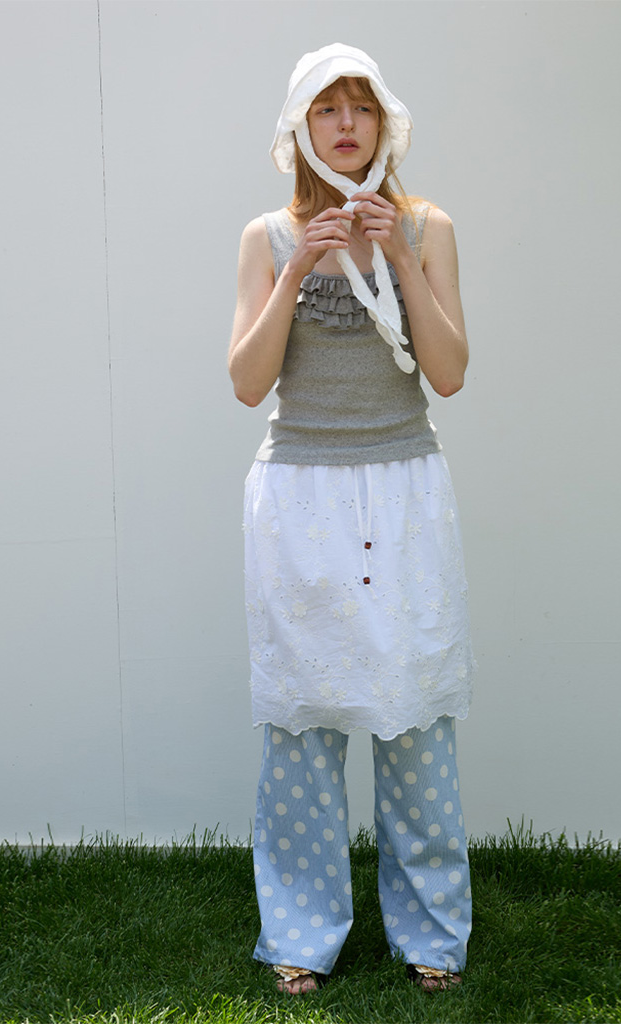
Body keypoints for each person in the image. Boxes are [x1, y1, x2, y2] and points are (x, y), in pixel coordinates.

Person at [228, 43, 474, 994]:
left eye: (359, 108)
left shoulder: (428, 226)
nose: (343, 125)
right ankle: (302, 932)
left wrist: (401, 256)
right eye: (325, 109)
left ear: (384, 124)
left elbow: (449, 373)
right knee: (302, 725)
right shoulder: (266, 237)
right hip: (303, 497)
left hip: (404, 490)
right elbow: (247, 383)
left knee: (415, 718)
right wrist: (300, 266)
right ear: (299, 129)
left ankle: (432, 936)